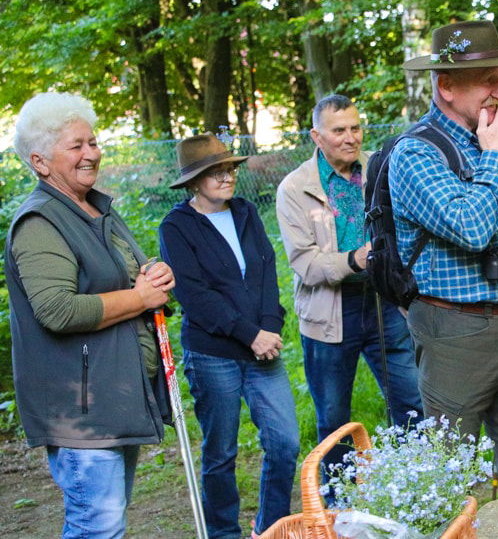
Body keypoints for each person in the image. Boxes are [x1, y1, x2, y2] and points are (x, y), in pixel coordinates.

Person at [389, 20, 498, 493]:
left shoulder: (486, 137)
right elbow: (472, 229)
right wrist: (497, 157)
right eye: (488, 81)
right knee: (452, 473)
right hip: (454, 332)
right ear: (446, 85)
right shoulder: (416, 152)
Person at [5, 92, 175, 538]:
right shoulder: (40, 222)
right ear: (40, 162)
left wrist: (153, 277)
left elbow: (125, 278)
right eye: (77, 145)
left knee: (106, 525)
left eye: (93, 142)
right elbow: (58, 310)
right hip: (81, 410)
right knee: (96, 529)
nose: (92, 153)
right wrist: (140, 298)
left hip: (114, 397)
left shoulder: (96, 209)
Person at [159, 133, 300, 539]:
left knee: (285, 442)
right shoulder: (177, 227)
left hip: (263, 351)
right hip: (213, 354)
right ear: (193, 182)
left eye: (230, 169)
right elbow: (194, 296)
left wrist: (271, 326)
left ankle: (270, 527)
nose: (227, 177)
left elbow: (266, 271)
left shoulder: (244, 212)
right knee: (221, 452)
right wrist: (249, 333)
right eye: (215, 172)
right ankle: (223, 532)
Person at [276, 95, 423, 468]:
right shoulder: (295, 188)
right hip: (329, 313)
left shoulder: (380, 168)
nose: (350, 137)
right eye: (338, 130)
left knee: (411, 402)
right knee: (333, 417)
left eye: (355, 127)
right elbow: (305, 263)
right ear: (316, 136)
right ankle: (335, 507)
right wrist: (357, 258)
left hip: (385, 304)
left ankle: (416, 489)